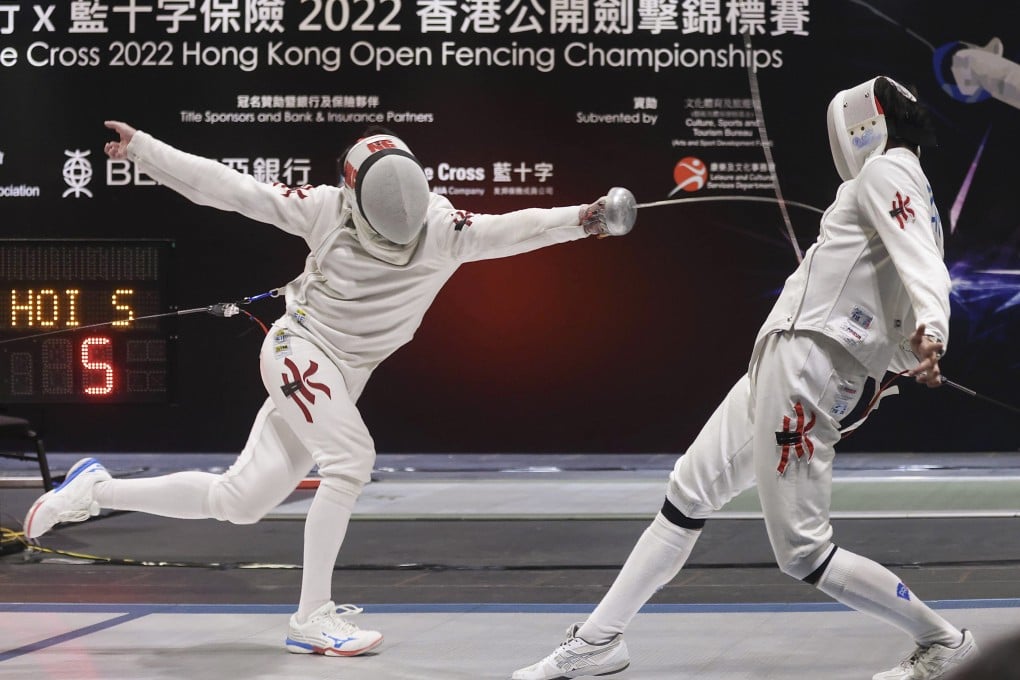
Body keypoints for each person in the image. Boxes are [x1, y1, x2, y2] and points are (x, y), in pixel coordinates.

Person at [23, 121, 626, 658]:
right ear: (354, 199)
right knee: (350, 459)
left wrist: (589, 219)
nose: (400, 234)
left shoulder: (443, 228)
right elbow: (230, 189)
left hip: (346, 373)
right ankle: (311, 616)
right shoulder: (323, 209)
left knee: (242, 500)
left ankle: (95, 492)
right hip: (299, 350)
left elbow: (516, 229)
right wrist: (147, 152)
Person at [513, 76, 978, 680]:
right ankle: (600, 641)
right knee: (688, 492)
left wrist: (934, 331)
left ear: (868, 120)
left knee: (803, 552)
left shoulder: (889, 171)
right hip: (788, 356)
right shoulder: (899, 183)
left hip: (813, 364)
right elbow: (910, 276)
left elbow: (925, 266)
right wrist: (916, 338)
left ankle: (943, 641)